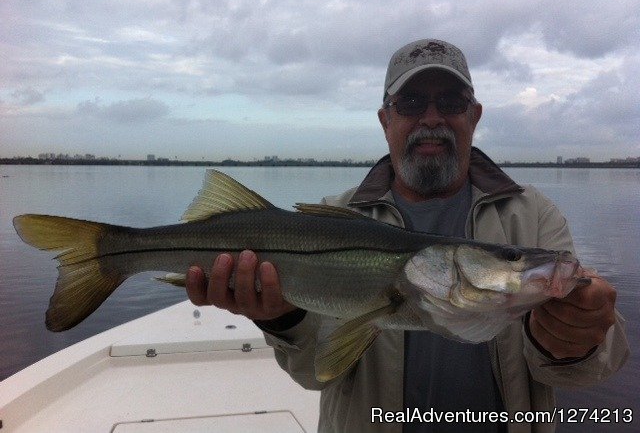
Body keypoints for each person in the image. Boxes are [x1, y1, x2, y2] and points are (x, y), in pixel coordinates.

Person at [185, 39, 629, 432]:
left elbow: (585, 372)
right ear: (385, 119)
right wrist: (281, 319)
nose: (431, 119)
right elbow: (315, 373)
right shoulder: (337, 216)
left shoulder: (533, 217)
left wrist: (577, 340)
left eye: (451, 102)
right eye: (411, 102)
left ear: (474, 117)